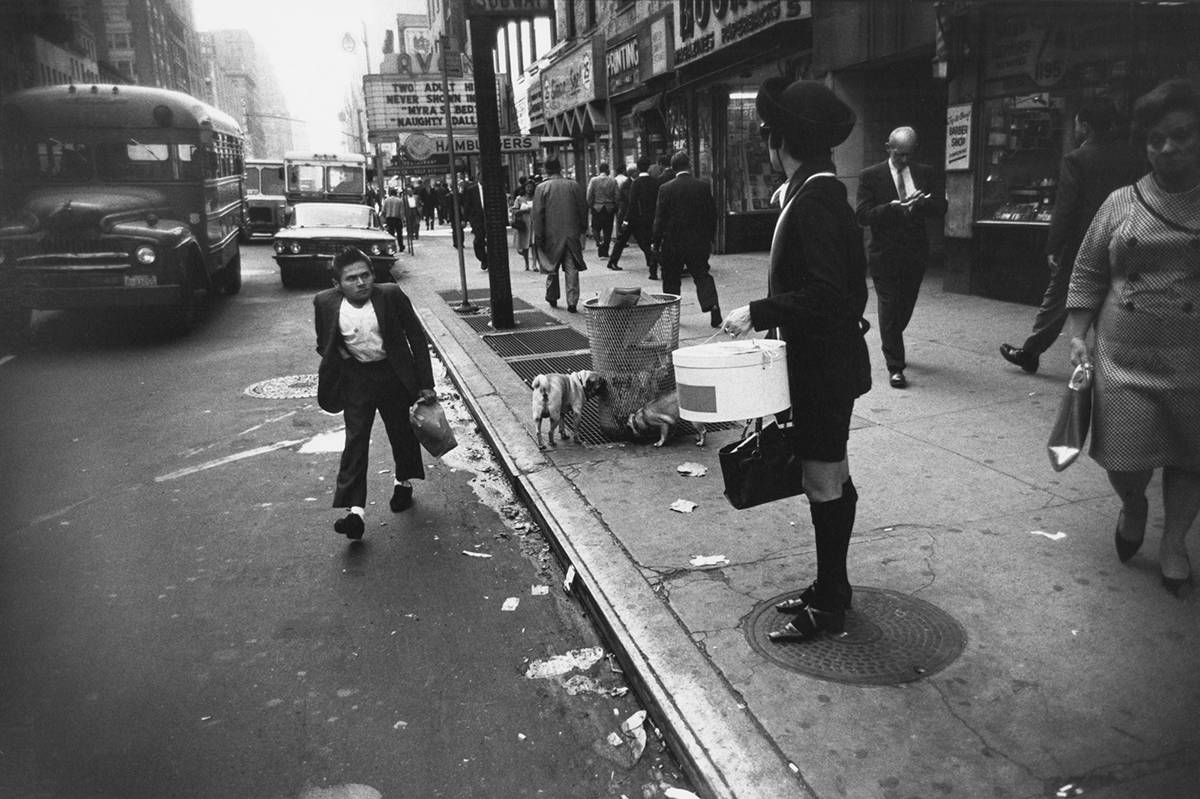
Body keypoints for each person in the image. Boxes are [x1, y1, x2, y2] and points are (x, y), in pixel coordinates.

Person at [720, 78, 871, 642]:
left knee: (823, 481)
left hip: (824, 371)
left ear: (780, 138)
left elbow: (831, 295)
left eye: (765, 132)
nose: (764, 142)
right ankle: (831, 586)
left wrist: (757, 311)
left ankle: (831, 600)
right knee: (831, 475)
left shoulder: (817, 201)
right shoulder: (812, 193)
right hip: (822, 365)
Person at [1065, 78, 1200, 595]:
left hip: (1193, 358)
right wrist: (1078, 334)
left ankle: (1175, 543)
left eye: (1183, 135)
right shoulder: (1121, 202)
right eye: (1156, 139)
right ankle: (1134, 505)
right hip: (1124, 356)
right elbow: (1087, 272)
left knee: (1191, 455)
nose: (1168, 148)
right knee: (1124, 459)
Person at [1000, 99, 1143, 373]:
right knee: (1118, 293)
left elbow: (1066, 205)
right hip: (1126, 236)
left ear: (1086, 126)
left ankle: (1030, 351)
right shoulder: (1132, 156)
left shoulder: (1076, 159)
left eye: (1077, 122)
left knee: (1059, 295)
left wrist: (1054, 244)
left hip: (1083, 242)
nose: (1075, 127)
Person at [313, 247, 437, 540]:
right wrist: (343, 358)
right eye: (351, 278)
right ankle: (354, 512)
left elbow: (416, 337)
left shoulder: (391, 295)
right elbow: (323, 342)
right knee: (355, 441)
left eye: (365, 275)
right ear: (337, 284)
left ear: (373, 274)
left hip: (393, 374)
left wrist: (425, 383)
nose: (361, 283)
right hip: (357, 379)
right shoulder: (325, 303)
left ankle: (403, 482)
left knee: (401, 433)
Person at [855, 126, 948, 389]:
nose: (904, 160)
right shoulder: (870, 176)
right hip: (884, 255)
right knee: (889, 305)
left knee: (904, 307)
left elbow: (942, 206)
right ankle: (895, 367)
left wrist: (922, 204)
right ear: (888, 148)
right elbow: (862, 215)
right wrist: (893, 209)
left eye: (908, 154)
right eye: (899, 154)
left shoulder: (925, 173)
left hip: (915, 253)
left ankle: (892, 335)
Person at [652, 151, 721, 327]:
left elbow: (659, 219)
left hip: (673, 242)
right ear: (689, 166)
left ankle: (672, 315)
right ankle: (712, 307)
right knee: (702, 275)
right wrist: (710, 237)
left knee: (671, 278)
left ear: (673, 168)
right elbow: (712, 215)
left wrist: (656, 241)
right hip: (698, 242)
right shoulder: (702, 186)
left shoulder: (665, 189)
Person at [531, 157, 588, 313]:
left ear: (546, 170)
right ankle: (572, 302)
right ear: (561, 167)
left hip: (551, 236)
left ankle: (552, 296)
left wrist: (539, 235)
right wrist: (583, 230)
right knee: (572, 269)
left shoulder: (541, 188)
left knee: (552, 267)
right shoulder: (574, 185)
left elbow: (537, 215)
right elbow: (583, 209)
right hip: (571, 234)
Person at [606, 156, 661, 278]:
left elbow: (631, 203)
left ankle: (613, 261)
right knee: (645, 242)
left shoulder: (636, 183)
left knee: (623, 240)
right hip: (648, 217)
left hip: (633, 217)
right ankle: (652, 262)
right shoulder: (655, 182)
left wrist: (626, 219)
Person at [586, 162, 619, 259]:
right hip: (609, 208)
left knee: (595, 228)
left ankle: (599, 242)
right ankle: (605, 252)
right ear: (607, 170)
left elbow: (589, 195)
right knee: (607, 230)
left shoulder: (593, 180)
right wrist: (615, 206)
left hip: (597, 207)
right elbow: (617, 195)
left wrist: (591, 205)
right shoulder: (613, 181)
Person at [459, 172, 487, 270]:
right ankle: (483, 258)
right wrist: (464, 219)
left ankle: (490, 260)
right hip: (477, 219)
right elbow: (467, 205)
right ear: (478, 178)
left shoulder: (490, 188)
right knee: (479, 240)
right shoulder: (472, 190)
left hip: (488, 218)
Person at [510, 179, 535, 270]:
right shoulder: (519, 199)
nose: (529, 189)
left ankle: (534, 264)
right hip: (524, 225)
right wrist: (522, 210)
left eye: (531, 187)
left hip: (534, 223)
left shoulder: (536, 198)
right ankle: (526, 263)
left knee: (534, 244)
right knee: (525, 245)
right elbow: (514, 210)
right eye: (527, 187)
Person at [380, 188, 406, 253]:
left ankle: (392, 248)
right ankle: (401, 246)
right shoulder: (399, 201)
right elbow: (401, 212)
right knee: (399, 233)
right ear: (396, 193)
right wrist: (403, 220)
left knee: (391, 234)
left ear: (390, 193)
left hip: (389, 219)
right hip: (397, 219)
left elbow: (383, 211)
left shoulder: (386, 200)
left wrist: (383, 219)